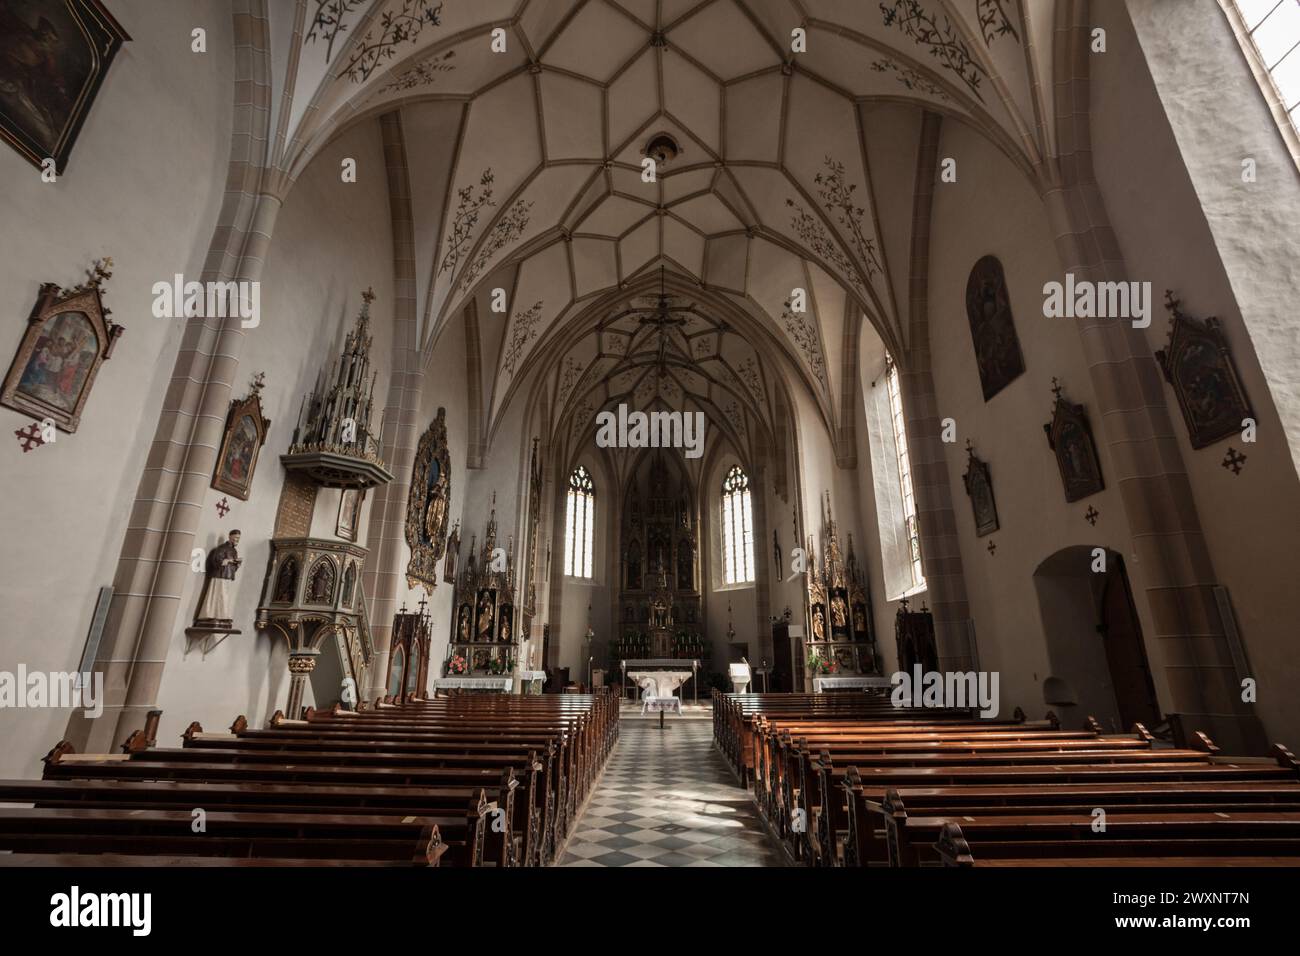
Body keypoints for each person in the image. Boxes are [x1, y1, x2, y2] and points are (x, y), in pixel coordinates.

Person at [195, 530, 242, 627]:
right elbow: (216, 561)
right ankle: (211, 615)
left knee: (225, 597)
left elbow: (233, 567)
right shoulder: (221, 548)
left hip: (227, 576)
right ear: (230, 537)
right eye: (236, 537)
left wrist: (237, 564)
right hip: (220, 576)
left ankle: (222, 616)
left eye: (238, 538)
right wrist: (226, 561)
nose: (237, 540)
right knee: (217, 596)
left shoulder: (234, 551)